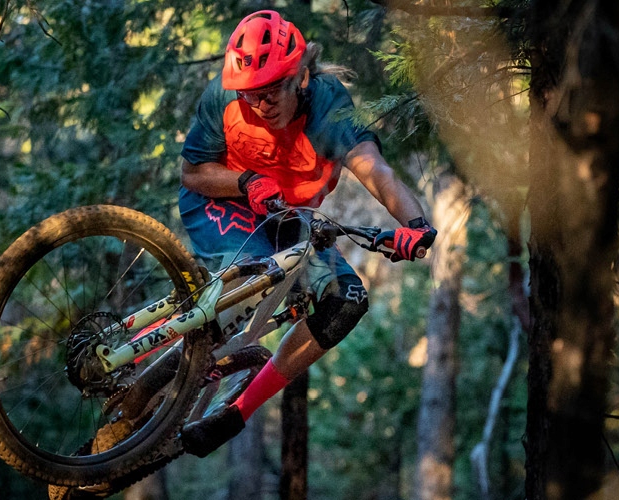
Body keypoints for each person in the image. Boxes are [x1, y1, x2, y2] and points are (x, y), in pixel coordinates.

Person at [175, 9, 435, 457]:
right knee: (258, 269)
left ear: (301, 76)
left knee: (346, 299)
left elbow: (375, 170)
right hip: (219, 200)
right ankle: (158, 355)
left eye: (272, 89)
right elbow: (192, 174)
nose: (261, 103)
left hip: (284, 216)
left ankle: (236, 411)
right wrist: (245, 181)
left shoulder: (329, 109)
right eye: (251, 93)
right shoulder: (223, 99)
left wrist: (415, 225)